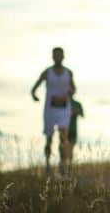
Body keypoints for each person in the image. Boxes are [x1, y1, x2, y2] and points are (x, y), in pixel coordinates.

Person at [31, 47, 76, 175]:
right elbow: (35, 86)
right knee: (49, 138)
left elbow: (74, 88)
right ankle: (47, 165)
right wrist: (34, 95)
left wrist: (70, 93)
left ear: (63, 56)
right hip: (50, 110)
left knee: (63, 137)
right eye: (55, 55)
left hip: (63, 109)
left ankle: (62, 166)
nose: (57, 57)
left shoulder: (69, 73)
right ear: (52, 56)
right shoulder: (47, 72)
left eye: (59, 55)